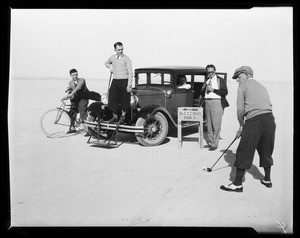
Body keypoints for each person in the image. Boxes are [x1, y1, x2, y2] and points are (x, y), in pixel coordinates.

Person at [220, 66, 276, 192]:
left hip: (254, 121)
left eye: (238, 77)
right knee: (266, 150)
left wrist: (241, 125)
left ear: (245, 74)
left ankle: (237, 184)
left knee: (244, 151)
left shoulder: (243, 87)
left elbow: (240, 110)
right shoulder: (262, 86)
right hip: (270, 120)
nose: (237, 81)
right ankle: (267, 179)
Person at [199, 64, 229, 151]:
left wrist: (213, 90)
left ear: (215, 71)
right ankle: (210, 142)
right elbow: (202, 93)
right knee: (208, 124)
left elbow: (225, 92)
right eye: (208, 72)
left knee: (216, 124)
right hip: (207, 102)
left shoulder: (220, 80)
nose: (210, 73)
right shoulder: (206, 80)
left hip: (216, 102)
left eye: (212, 72)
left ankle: (215, 144)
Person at [105, 42, 133, 124]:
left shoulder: (127, 59)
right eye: (118, 50)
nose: (120, 51)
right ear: (115, 50)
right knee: (112, 98)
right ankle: (115, 116)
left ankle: (123, 117)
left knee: (125, 99)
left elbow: (130, 73)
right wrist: (110, 67)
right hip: (115, 80)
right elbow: (106, 63)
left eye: (122, 49)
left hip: (124, 80)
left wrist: (129, 85)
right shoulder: (112, 57)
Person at [62, 69, 89, 133]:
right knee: (72, 112)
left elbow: (78, 87)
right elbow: (72, 87)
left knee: (82, 112)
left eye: (76, 74)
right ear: (70, 75)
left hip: (83, 98)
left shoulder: (82, 80)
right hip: (76, 98)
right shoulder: (70, 82)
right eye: (73, 75)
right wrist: (68, 89)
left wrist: (71, 94)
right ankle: (72, 128)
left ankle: (88, 130)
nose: (75, 76)